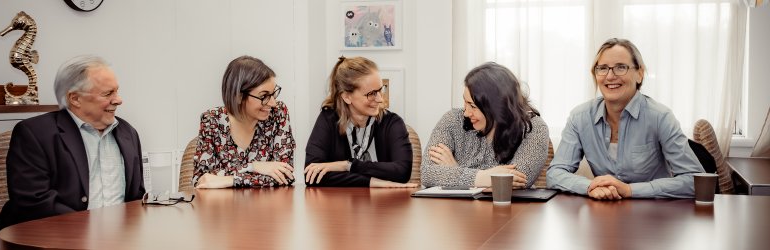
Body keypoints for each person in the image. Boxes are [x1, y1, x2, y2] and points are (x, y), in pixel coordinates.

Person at [0, 55, 145, 233]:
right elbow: (33, 202)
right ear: (75, 98)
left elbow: (136, 196)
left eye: (117, 91)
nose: (118, 100)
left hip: (116, 239)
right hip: (49, 238)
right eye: (108, 93)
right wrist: (92, 231)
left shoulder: (128, 133)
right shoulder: (34, 134)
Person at [546, 38, 705, 199]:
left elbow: (695, 180)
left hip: (655, 215)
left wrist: (630, 190)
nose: (610, 76)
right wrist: (590, 187)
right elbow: (555, 174)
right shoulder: (580, 117)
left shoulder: (661, 117)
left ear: (639, 74)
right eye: (602, 68)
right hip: (604, 214)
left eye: (620, 67)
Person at [420, 62, 549, 189]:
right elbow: (427, 173)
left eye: (473, 106)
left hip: (508, 209)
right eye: (465, 102)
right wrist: (484, 178)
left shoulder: (534, 128)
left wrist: (454, 171)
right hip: (455, 209)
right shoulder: (453, 120)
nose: (466, 113)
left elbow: (516, 181)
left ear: (498, 107)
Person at [304, 56, 417, 187]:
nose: (380, 99)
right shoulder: (328, 119)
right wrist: (373, 182)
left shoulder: (392, 122)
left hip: (385, 205)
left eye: (380, 90)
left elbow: (402, 171)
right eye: (371, 94)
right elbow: (312, 175)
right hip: (339, 206)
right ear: (347, 97)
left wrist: (348, 165)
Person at [193, 56, 295, 188]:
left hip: (268, 206)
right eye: (264, 96)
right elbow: (202, 180)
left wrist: (229, 180)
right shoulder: (212, 120)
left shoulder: (278, 114)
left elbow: (285, 175)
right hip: (222, 206)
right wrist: (254, 167)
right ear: (238, 96)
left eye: (273, 94)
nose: (273, 103)